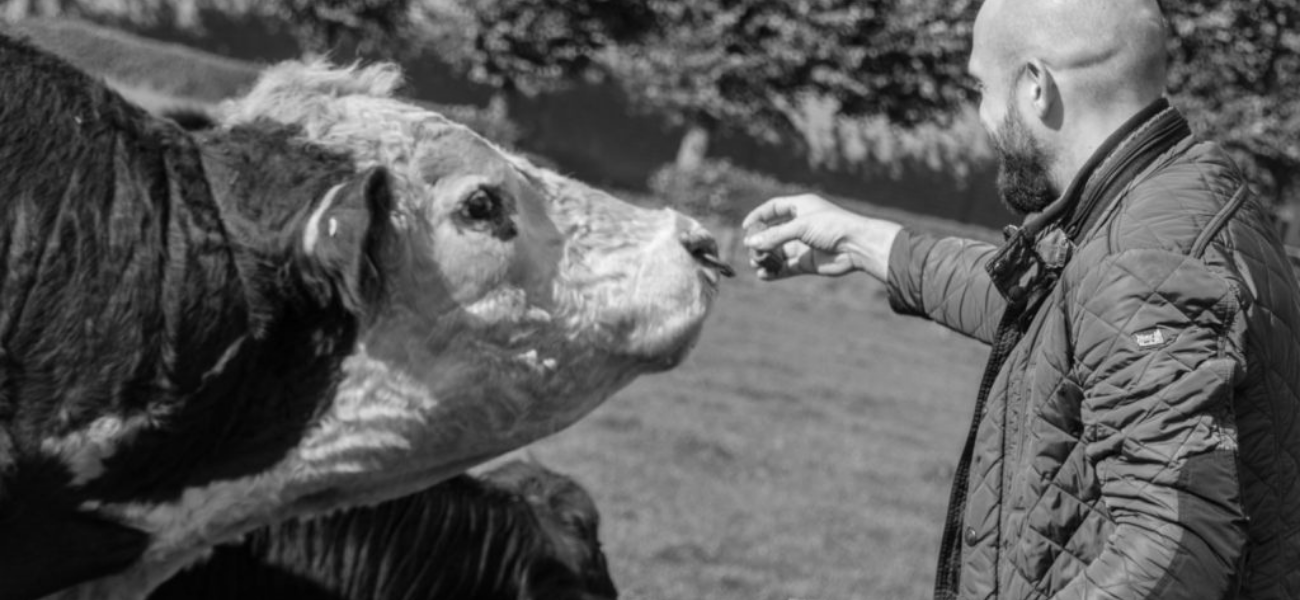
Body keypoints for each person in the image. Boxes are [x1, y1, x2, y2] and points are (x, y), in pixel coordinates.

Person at [743, 0, 1300, 598]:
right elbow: (1049, 313)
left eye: (982, 88)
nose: (982, 116)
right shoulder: (1177, 197)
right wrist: (860, 241)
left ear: (1037, 86)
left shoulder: (1142, 261)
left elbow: (1180, 546)